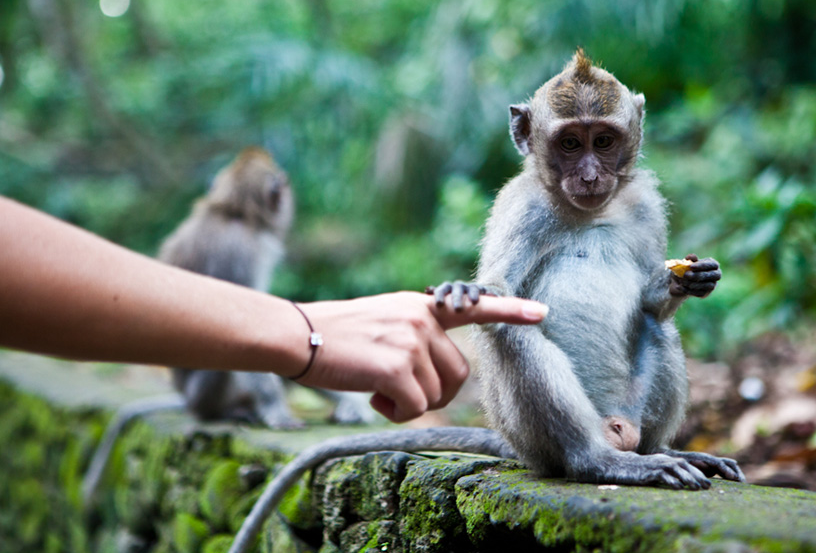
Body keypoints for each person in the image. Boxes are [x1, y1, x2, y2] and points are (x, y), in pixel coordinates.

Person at [0, 197, 548, 423]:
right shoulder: (239, 242)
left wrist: (296, 330)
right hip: (213, 381)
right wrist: (301, 331)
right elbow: (250, 335)